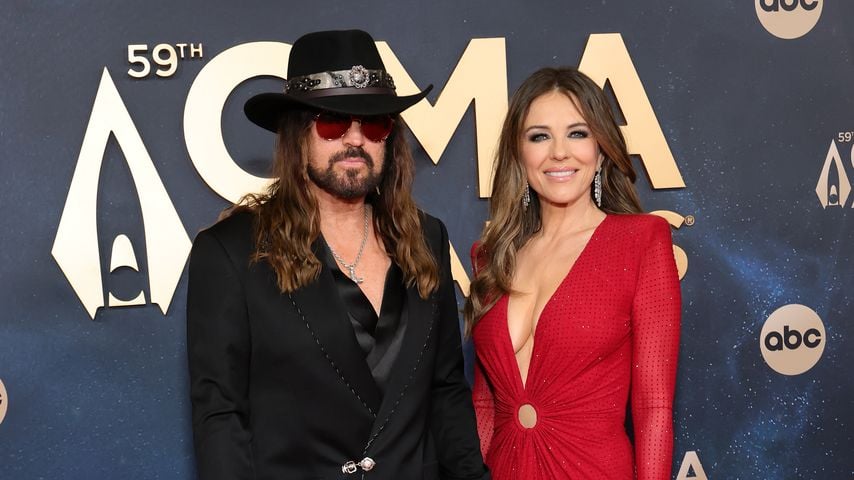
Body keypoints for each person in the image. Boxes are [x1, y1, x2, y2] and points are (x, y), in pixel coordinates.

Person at [187, 29, 490, 480]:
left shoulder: (427, 238)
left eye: (373, 125)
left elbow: (446, 392)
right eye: (332, 123)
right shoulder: (232, 252)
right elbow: (221, 417)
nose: (355, 141)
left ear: (389, 138)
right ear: (297, 135)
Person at [464, 67, 681, 479]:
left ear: (600, 150)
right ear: (519, 152)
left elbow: (654, 408)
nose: (558, 152)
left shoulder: (640, 240)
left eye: (577, 133)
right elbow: (484, 404)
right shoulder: (491, 256)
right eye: (539, 136)